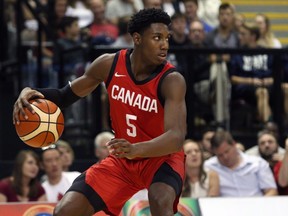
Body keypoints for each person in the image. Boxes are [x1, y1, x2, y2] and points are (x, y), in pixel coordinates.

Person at [13, 8, 187, 216]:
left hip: (161, 158)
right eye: (157, 38)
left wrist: (136, 149)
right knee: (65, 211)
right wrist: (32, 92)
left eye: (167, 38)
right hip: (123, 160)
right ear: (137, 38)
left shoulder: (172, 80)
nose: (164, 45)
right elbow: (65, 96)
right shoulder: (109, 64)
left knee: (160, 202)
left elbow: (176, 138)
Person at [205, 130, 278, 197]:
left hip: (255, 206)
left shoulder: (257, 163)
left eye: (227, 151)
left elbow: (271, 191)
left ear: (234, 145)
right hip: (225, 208)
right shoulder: (209, 166)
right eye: (220, 155)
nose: (225, 157)